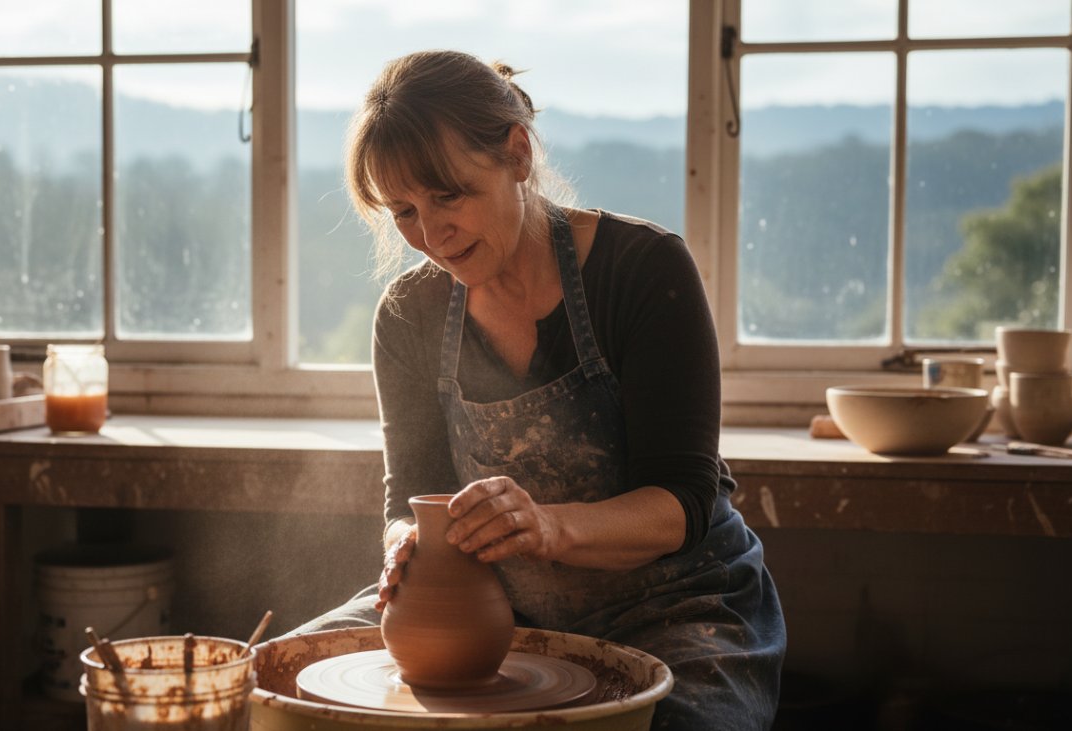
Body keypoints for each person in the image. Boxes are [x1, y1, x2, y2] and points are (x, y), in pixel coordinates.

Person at [288, 49, 786, 729]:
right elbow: (411, 492)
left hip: (683, 606)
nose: (431, 236)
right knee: (269, 685)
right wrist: (406, 543)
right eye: (403, 211)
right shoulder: (409, 317)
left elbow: (683, 502)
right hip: (503, 609)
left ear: (517, 154)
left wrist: (548, 525)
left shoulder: (642, 271)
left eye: (448, 195)